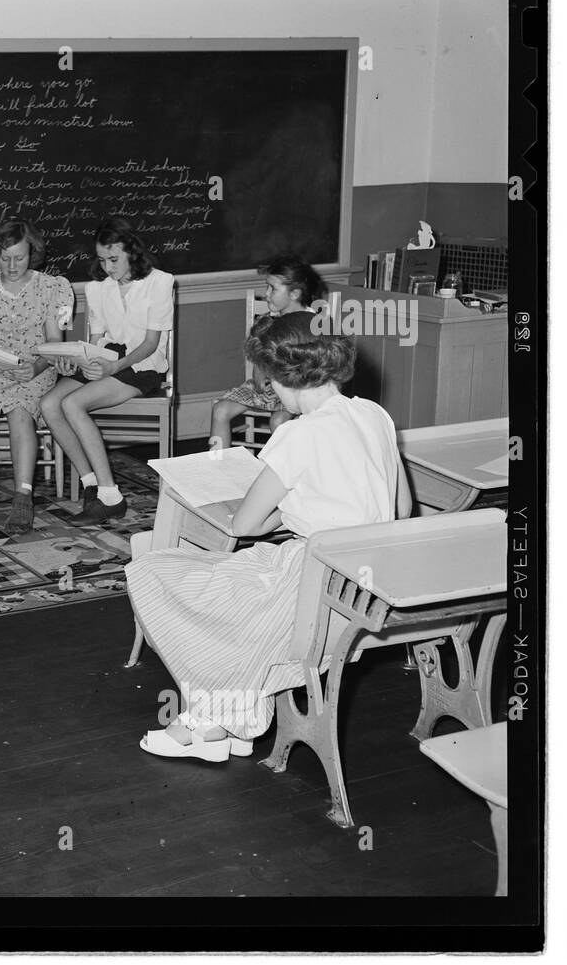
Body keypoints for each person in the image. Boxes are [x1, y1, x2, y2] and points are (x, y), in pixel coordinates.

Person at [126, 311, 412, 763]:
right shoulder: (373, 414)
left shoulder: (297, 436)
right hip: (371, 575)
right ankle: (227, 720)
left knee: (155, 573)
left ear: (286, 377)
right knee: (238, 597)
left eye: (270, 381)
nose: (270, 391)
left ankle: (212, 721)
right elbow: (401, 509)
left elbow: (245, 526)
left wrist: (284, 509)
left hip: (319, 580)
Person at [40, 217, 173, 525]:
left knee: (73, 403)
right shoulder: (97, 288)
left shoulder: (160, 282)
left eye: (114, 259)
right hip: (107, 357)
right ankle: (91, 485)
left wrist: (114, 366)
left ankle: (111, 497)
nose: (108, 267)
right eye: (102, 260)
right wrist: (81, 358)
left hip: (141, 365)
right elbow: (97, 338)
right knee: (48, 404)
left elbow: (151, 343)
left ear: (132, 252)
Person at [0, 220, 74, 534]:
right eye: (3, 257)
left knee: (21, 413)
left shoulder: (52, 288)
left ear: (32, 253)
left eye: (19, 258)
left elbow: (55, 342)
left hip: (36, 368)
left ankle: (23, 496)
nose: (11, 265)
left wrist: (36, 366)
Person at [209, 253, 327, 450]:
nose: (266, 293)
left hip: (298, 391)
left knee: (279, 422)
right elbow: (260, 355)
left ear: (294, 294)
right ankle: (217, 466)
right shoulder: (269, 321)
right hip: (268, 388)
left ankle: (284, 475)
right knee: (220, 410)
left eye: (273, 288)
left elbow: (314, 369)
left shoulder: (311, 325)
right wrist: (258, 373)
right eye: (267, 286)